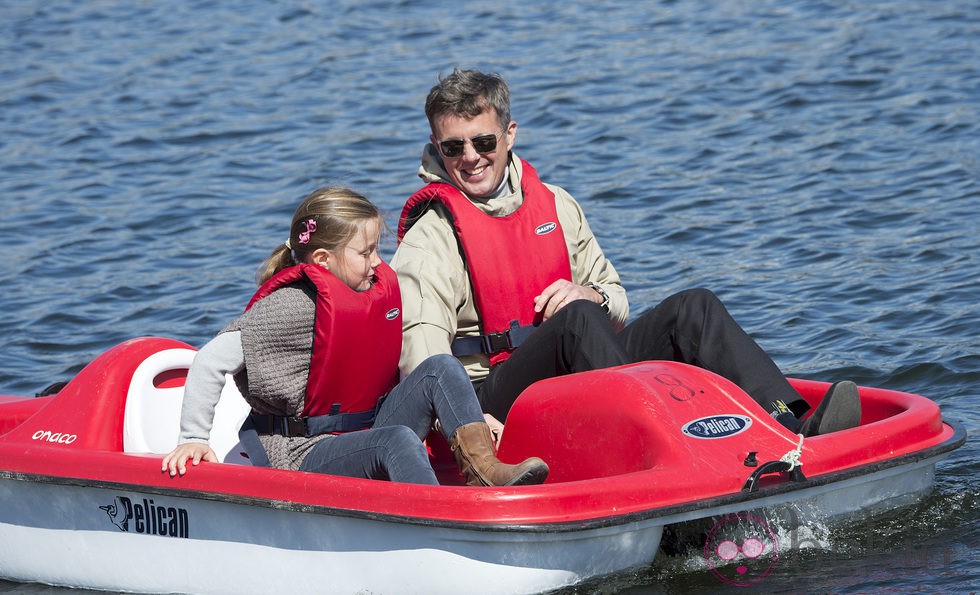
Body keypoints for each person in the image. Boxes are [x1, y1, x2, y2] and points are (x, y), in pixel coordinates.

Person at [392, 68, 860, 437]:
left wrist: (591, 296)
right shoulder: (430, 239)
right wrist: (469, 428)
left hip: (578, 368)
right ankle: (672, 443)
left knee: (691, 308)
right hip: (488, 401)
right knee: (576, 322)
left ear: (509, 134)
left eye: (483, 141)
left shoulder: (556, 204)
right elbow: (426, 368)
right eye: (454, 146)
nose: (470, 157)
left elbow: (614, 298)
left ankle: (790, 424)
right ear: (437, 146)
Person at [162, 186, 549, 487]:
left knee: (441, 369)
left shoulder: (367, 293)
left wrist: (466, 414)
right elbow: (210, 359)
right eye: (365, 253)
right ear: (322, 261)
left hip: (364, 426)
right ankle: (441, 522)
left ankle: (486, 471)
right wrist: (193, 437)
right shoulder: (292, 306)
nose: (378, 262)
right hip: (305, 450)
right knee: (395, 440)